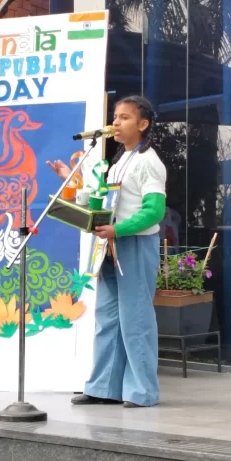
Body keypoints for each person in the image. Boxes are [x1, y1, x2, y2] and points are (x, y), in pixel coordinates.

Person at [47, 95, 166, 408]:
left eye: (125, 117)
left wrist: (118, 230)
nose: (116, 122)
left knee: (136, 319)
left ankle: (142, 392)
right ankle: (103, 388)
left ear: (143, 124)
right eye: (115, 116)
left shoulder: (148, 161)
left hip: (135, 244)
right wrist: (72, 183)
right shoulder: (120, 160)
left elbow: (154, 211)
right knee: (108, 318)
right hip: (111, 245)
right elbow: (102, 201)